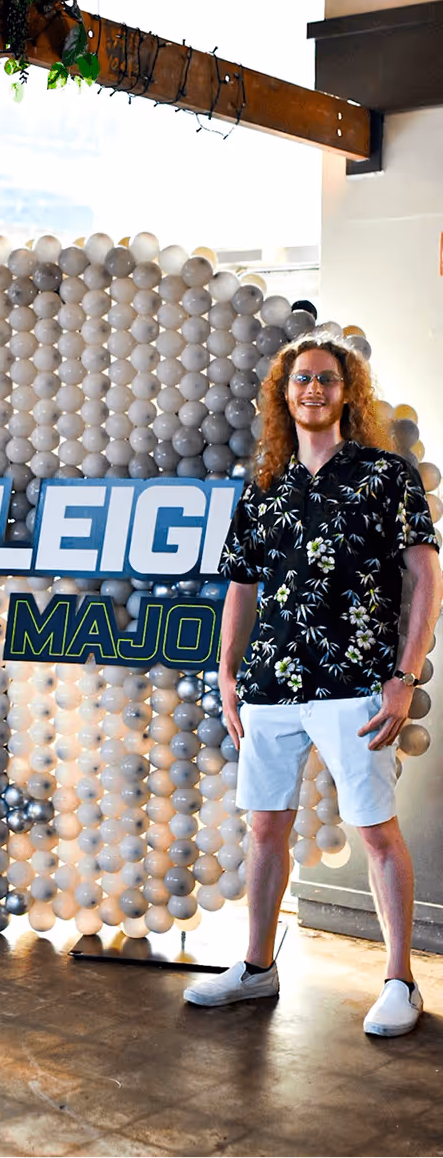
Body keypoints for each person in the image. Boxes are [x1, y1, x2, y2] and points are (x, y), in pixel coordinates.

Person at [183, 333, 442, 1037]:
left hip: (356, 681)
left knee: (377, 831)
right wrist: (228, 672)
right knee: (266, 827)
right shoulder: (265, 484)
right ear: (285, 393)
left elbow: (426, 576)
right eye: (302, 379)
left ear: (346, 391)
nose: (314, 389)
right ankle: (256, 967)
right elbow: (241, 585)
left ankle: (400, 981)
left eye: (327, 378)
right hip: (270, 683)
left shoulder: (386, 475)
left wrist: (404, 675)